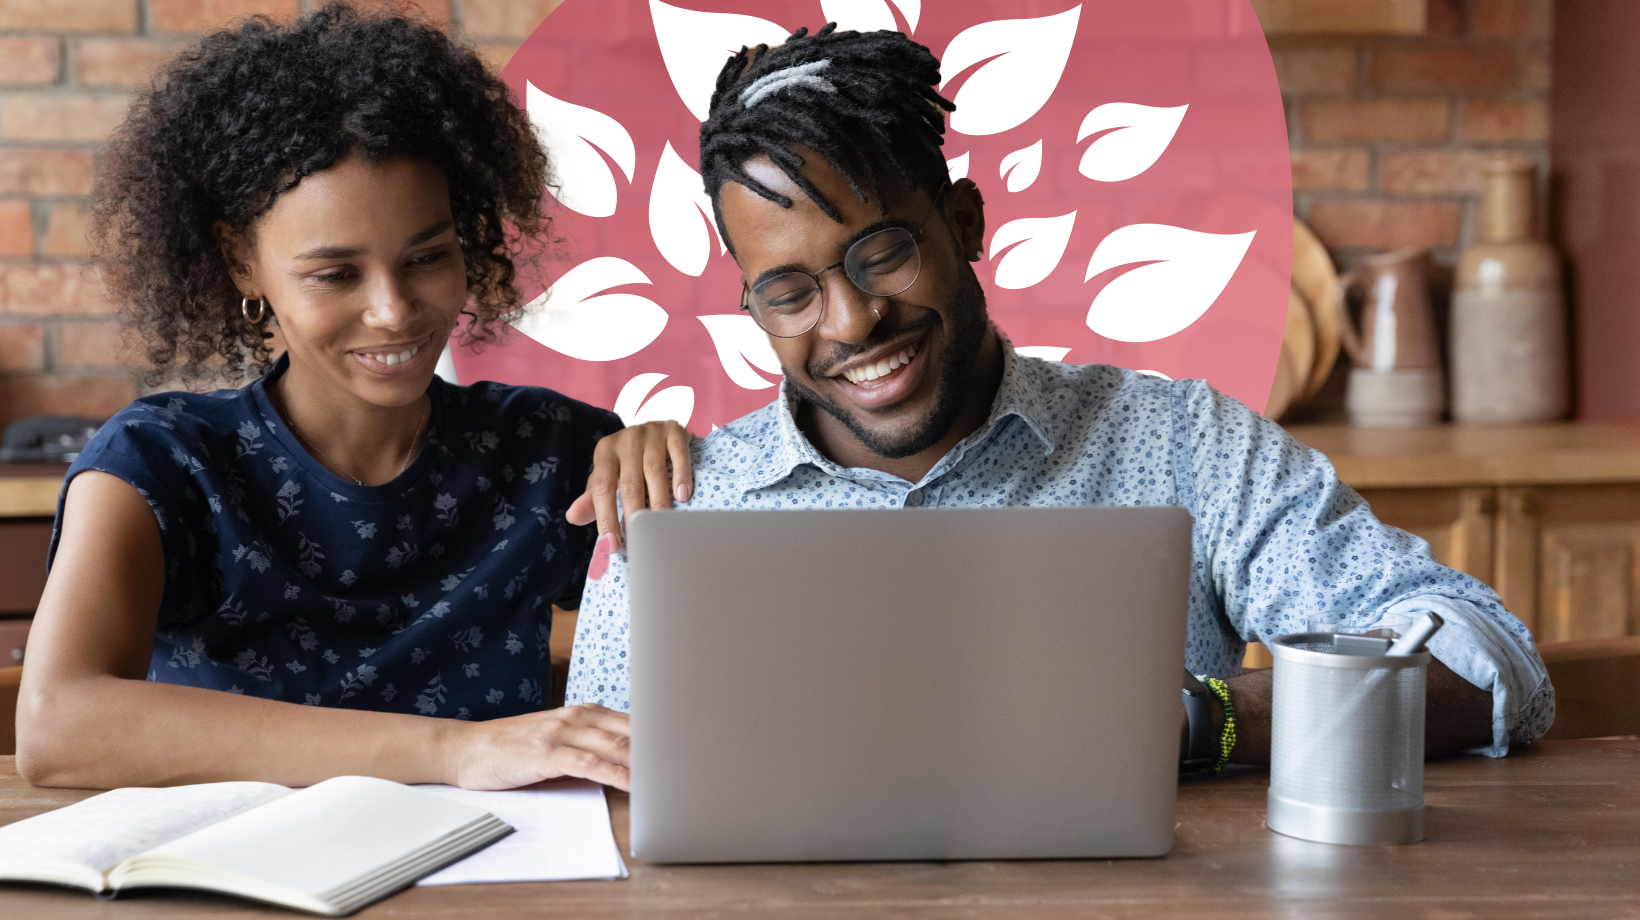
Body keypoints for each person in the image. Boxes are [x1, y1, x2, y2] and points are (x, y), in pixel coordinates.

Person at [567, 25, 1554, 762]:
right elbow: (599, 781)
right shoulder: (675, 502)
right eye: (790, 292)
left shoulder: (1181, 442)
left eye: (880, 252)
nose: (850, 322)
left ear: (962, 222)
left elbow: (1484, 661)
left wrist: (1195, 717)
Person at [16, 3, 683, 792]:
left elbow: (710, 667)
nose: (394, 311)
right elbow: (59, 726)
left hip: (503, 880)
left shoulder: (552, 452)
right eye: (335, 274)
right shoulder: (159, 464)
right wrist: (457, 750)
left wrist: (678, 473)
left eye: (428, 257)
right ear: (241, 264)